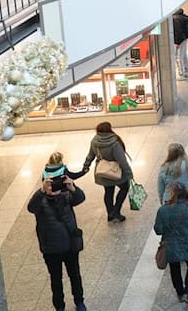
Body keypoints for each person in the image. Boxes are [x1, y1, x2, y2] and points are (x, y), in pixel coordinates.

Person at [28, 175, 87, 311]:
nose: (54, 188)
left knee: (75, 275)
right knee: (56, 279)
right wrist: (41, 191)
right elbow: (31, 207)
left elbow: (80, 198)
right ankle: (59, 306)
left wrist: (73, 187)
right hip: (51, 249)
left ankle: (79, 301)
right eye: (50, 185)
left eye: (56, 184)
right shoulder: (40, 201)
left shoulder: (66, 196)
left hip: (70, 246)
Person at [83, 122, 133, 222]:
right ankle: (116, 210)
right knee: (124, 188)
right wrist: (129, 173)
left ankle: (110, 214)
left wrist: (86, 166)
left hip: (103, 172)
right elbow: (122, 160)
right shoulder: (115, 143)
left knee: (108, 192)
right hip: (115, 171)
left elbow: (90, 155)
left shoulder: (95, 141)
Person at [172, 9, 188, 81]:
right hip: (184, 38)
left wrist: (177, 42)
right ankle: (186, 71)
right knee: (183, 55)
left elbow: (178, 31)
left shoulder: (175, 18)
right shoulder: (182, 15)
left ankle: (181, 74)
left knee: (178, 57)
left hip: (180, 39)